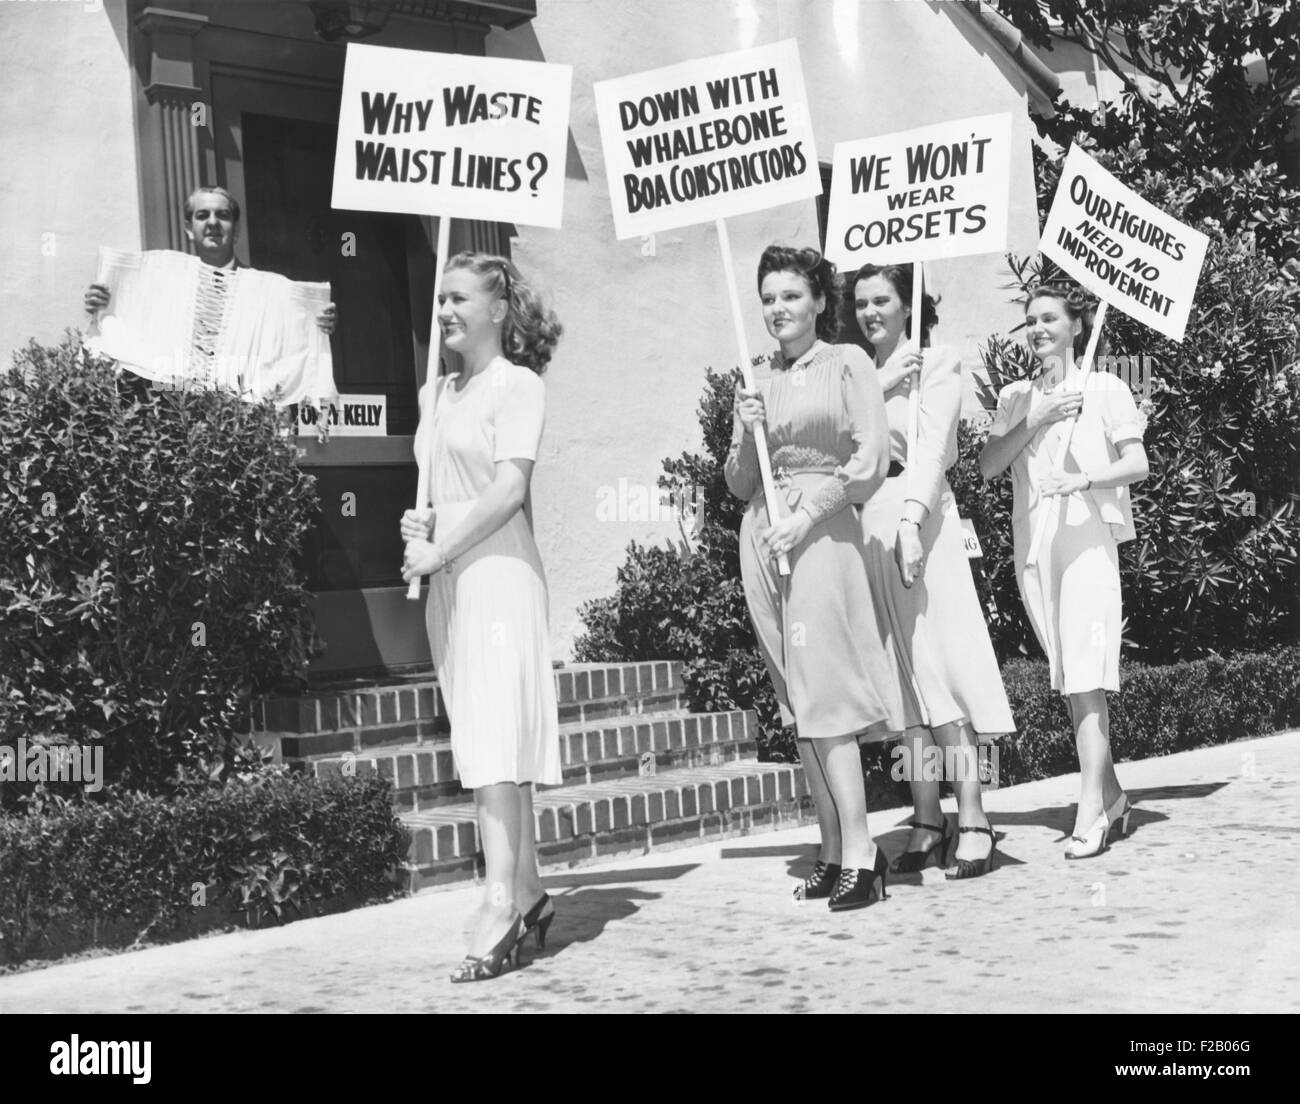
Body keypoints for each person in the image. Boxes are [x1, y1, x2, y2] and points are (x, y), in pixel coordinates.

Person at [400, 252, 562, 979]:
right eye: (440, 300)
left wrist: (442, 550)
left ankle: (499, 904)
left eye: (459, 299)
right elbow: (442, 487)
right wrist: (420, 533)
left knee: (498, 740)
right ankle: (528, 889)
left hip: (497, 574)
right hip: (450, 583)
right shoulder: (436, 393)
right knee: (484, 738)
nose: (444, 312)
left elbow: (505, 491)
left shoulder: (517, 386)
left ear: (498, 310)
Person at [726, 244, 899, 912]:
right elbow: (738, 482)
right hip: (762, 537)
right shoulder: (759, 379)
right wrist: (747, 433)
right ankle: (830, 851)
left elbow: (871, 459)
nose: (778, 309)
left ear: (821, 301)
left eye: (791, 295)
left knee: (827, 692)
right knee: (796, 701)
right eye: (768, 298)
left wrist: (810, 512)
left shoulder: (847, 362)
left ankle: (863, 851)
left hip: (820, 533)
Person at [852, 263, 1015, 879]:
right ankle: (925, 816)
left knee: (938, 670)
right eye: (863, 302)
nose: (872, 313)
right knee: (902, 686)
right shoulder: (859, 372)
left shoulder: (938, 362)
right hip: (868, 524)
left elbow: (931, 451)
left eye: (884, 300)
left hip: (921, 523)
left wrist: (911, 522)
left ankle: (973, 816)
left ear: (908, 303)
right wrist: (875, 382)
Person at [979, 283, 1148, 859]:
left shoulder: (1105, 387)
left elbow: (1137, 463)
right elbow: (989, 466)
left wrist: (1084, 478)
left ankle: (1091, 816)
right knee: (1071, 683)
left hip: (1087, 546)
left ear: (1076, 326)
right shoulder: (1014, 395)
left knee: (1085, 677)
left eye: (1050, 318)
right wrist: (1037, 416)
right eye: (1031, 320)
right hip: (1037, 552)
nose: (1038, 328)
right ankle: (1115, 799)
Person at [84, 186, 336, 335]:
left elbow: (290, 339)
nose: (213, 223)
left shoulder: (266, 293)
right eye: (202, 215)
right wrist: (107, 305)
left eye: (223, 215)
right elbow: (137, 329)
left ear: (235, 229)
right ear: (189, 228)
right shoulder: (163, 288)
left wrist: (316, 323)